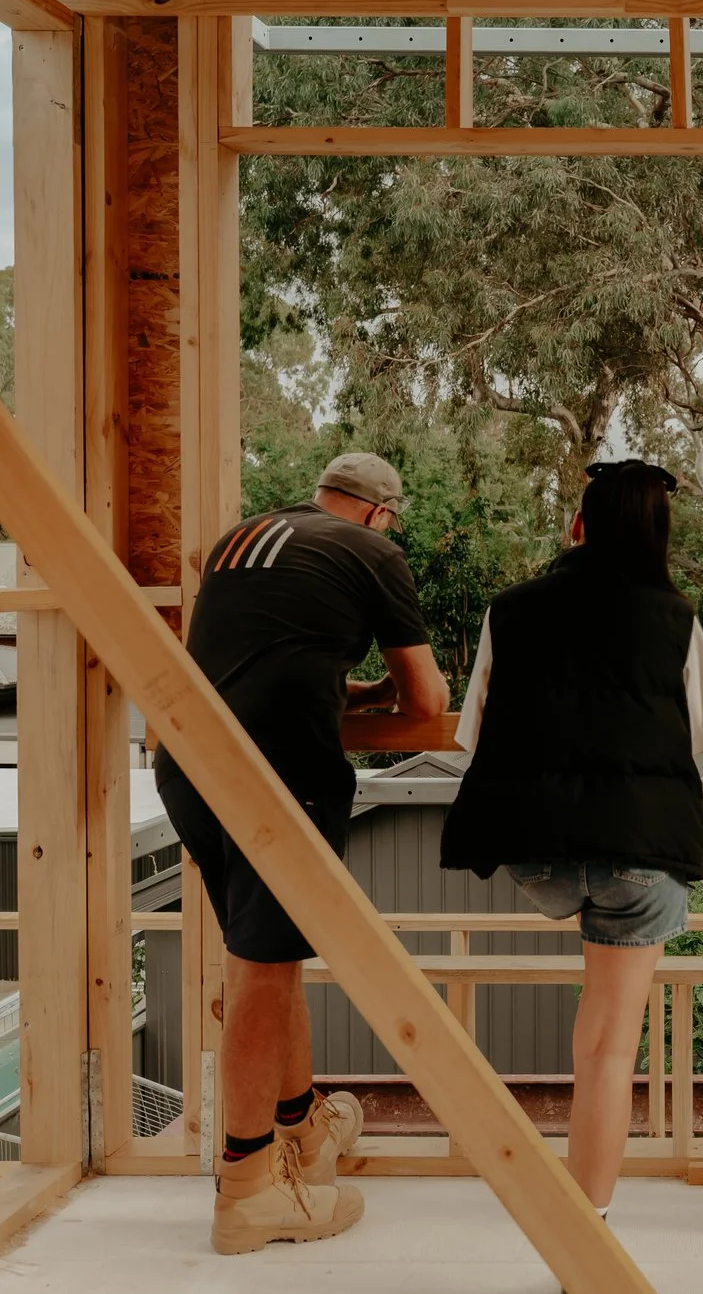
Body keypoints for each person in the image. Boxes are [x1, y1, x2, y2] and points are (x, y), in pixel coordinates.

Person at [160, 452, 451, 1254]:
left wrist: (341, 688)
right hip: (281, 778)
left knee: (267, 956)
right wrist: (383, 693)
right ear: (380, 514)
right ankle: (247, 1187)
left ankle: (303, 1131)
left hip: (187, 764)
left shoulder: (240, 536)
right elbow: (427, 699)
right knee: (260, 971)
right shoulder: (374, 553)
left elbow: (257, 655)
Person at [440, 459, 703, 1214]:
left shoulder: (510, 609)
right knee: (606, 1049)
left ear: (579, 526)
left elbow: (470, 732)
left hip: (536, 850)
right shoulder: (678, 616)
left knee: (581, 971)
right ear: (658, 534)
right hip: (638, 853)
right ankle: (588, 1232)